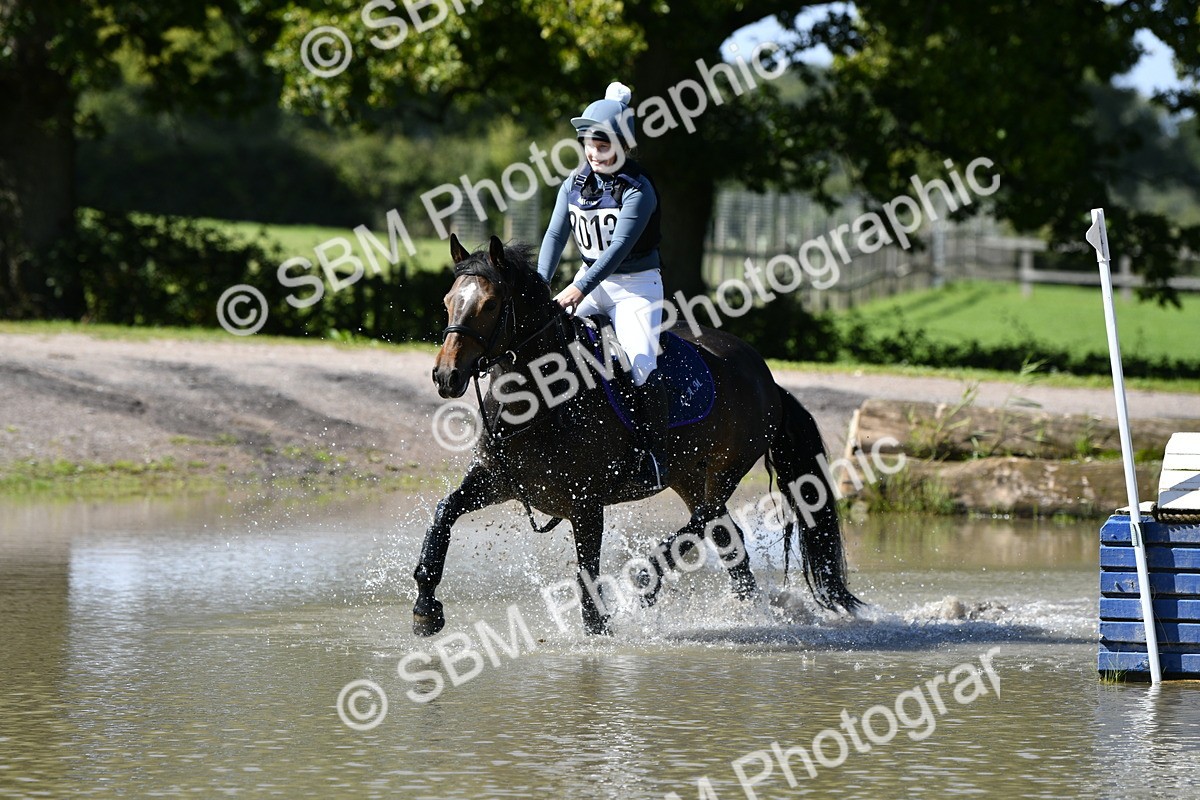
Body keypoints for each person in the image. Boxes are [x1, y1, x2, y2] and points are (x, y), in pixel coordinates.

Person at [537, 81, 669, 491]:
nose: (595, 152)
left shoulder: (639, 190)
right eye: (589, 143)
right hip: (589, 281)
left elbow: (616, 250)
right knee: (538, 337)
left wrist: (577, 290)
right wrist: (541, 287)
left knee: (641, 361)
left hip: (635, 287)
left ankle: (653, 453)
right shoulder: (573, 184)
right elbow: (555, 237)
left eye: (603, 143)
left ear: (623, 144)